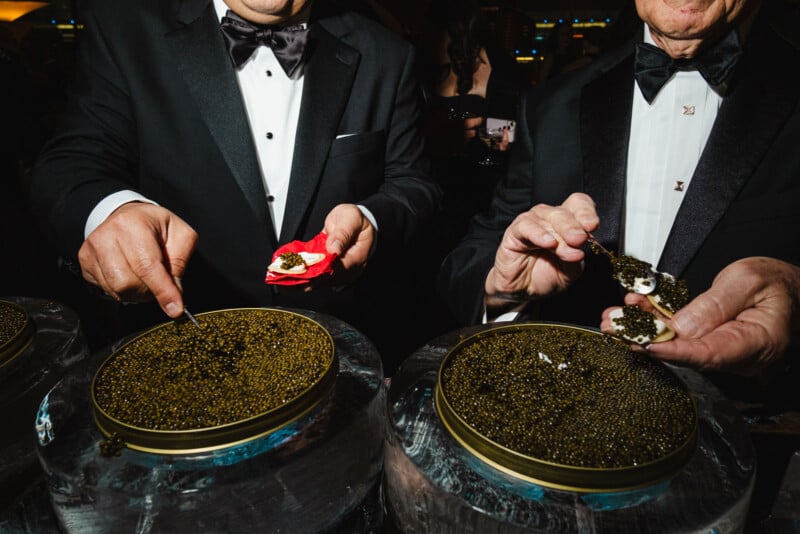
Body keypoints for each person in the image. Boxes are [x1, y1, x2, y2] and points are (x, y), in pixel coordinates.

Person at [29, 0, 441, 374]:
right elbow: (71, 159)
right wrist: (112, 209)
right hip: (181, 354)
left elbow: (414, 184)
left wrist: (373, 218)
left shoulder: (387, 53)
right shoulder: (122, 29)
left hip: (340, 358)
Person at [438, 0, 800, 403]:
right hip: (561, 415)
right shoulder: (552, 104)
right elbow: (470, 259)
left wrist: (795, 297)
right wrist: (503, 289)